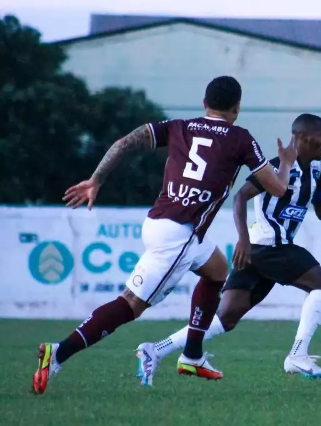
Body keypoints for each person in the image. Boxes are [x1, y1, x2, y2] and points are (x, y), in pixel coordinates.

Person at [32, 76, 299, 394]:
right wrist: (285, 163)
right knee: (130, 305)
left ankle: (192, 355)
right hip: (180, 235)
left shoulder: (178, 127)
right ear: (237, 108)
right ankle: (58, 353)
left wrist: (95, 180)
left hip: (162, 223)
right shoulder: (240, 139)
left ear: (204, 104)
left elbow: (123, 143)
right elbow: (279, 188)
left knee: (216, 271)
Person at [135, 113, 321, 384]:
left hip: (261, 253)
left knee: (225, 319)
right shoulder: (275, 168)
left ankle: (156, 349)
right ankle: (297, 355)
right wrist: (242, 239)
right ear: (303, 137)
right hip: (269, 246)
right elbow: (240, 197)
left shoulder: (315, 170)